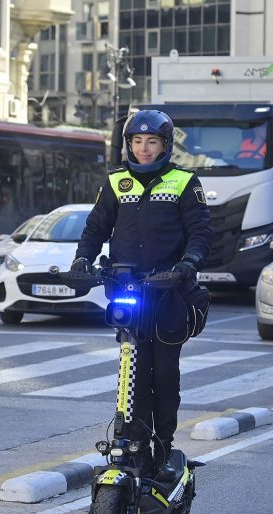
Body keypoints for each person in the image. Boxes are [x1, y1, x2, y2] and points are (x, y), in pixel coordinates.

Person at [71, 109, 213, 476]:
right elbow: (95, 228)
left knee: (163, 376)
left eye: (151, 141)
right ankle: (134, 446)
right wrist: (82, 259)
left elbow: (201, 232)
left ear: (165, 145)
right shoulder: (116, 181)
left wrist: (188, 263)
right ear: (129, 145)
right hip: (128, 290)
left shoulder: (184, 181)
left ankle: (163, 446)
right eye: (137, 141)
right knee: (133, 374)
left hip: (168, 294)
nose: (144, 148)